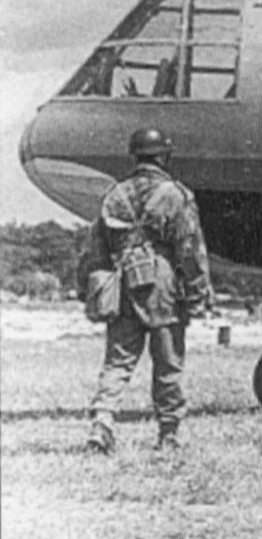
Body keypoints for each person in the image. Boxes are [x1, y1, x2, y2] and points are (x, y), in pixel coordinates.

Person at [80, 128, 211, 453]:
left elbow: (94, 248)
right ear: (164, 156)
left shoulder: (114, 194)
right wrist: (198, 292)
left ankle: (102, 422)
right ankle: (168, 434)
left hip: (123, 283)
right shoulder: (175, 194)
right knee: (168, 362)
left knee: (118, 361)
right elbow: (190, 249)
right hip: (162, 288)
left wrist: (91, 288)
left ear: (136, 155)